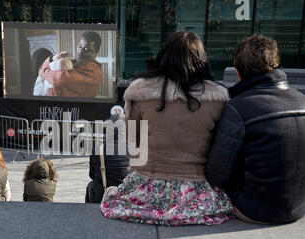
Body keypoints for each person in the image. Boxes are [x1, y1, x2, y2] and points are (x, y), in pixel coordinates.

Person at [100, 32, 234, 226]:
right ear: (202, 59)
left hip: (147, 185)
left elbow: (130, 136)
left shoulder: (140, 91)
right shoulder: (218, 97)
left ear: (164, 56)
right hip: (194, 190)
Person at [206, 35, 305, 224]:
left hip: (255, 209)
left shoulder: (237, 108)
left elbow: (217, 175)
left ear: (238, 72)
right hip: (302, 207)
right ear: (276, 66)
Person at [38, 31, 103, 97]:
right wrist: (53, 58)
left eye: (86, 49)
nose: (80, 51)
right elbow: (41, 70)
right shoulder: (74, 62)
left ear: (96, 52)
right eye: (80, 46)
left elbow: (61, 80)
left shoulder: (94, 71)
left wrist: (45, 71)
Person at [85, 111, 130, 203]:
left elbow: (92, 175)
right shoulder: (134, 150)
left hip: (104, 195)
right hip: (128, 196)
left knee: (92, 185)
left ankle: (88, 214)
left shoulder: (98, 149)